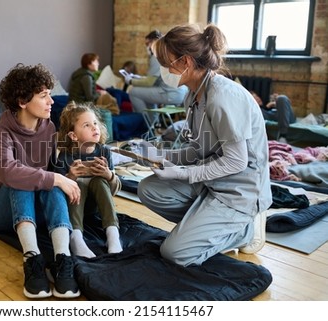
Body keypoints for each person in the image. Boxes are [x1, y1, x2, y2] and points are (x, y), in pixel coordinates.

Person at [134, 23, 272, 267]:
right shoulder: (194, 93)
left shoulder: (222, 96)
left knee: (175, 253)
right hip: (211, 182)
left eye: (167, 63)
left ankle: (245, 230)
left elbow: (236, 161)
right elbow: (200, 148)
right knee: (148, 188)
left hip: (238, 191)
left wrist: (184, 173)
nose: (164, 70)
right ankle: (204, 226)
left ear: (186, 62)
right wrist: (163, 156)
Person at [0, 63, 81, 299]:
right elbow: (7, 172)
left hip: (36, 209)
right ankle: (32, 259)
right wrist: (53, 178)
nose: (51, 101)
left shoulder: (50, 127)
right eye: (44, 96)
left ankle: (62, 258)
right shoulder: (0, 131)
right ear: (23, 101)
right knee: (22, 179)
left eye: (49, 95)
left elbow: (53, 172)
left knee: (53, 182)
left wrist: (70, 176)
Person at [56, 101, 122, 258]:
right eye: (86, 125)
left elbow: (115, 189)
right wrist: (71, 177)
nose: (94, 127)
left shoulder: (104, 151)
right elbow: (57, 195)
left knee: (99, 181)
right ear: (73, 135)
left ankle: (112, 234)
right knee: (78, 184)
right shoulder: (65, 156)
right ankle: (76, 237)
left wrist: (108, 175)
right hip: (75, 208)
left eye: (95, 123)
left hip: (96, 207)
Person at [125, 30, 189, 123]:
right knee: (146, 95)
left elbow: (149, 83)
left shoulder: (156, 55)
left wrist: (130, 81)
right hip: (182, 92)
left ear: (154, 41)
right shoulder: (167, 51)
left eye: (148, 43)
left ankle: (144, 124)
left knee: (133, 91)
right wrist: (139, 78)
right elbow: (155, 79)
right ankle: (153, 124)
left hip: (171, 93)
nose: (147, 47)